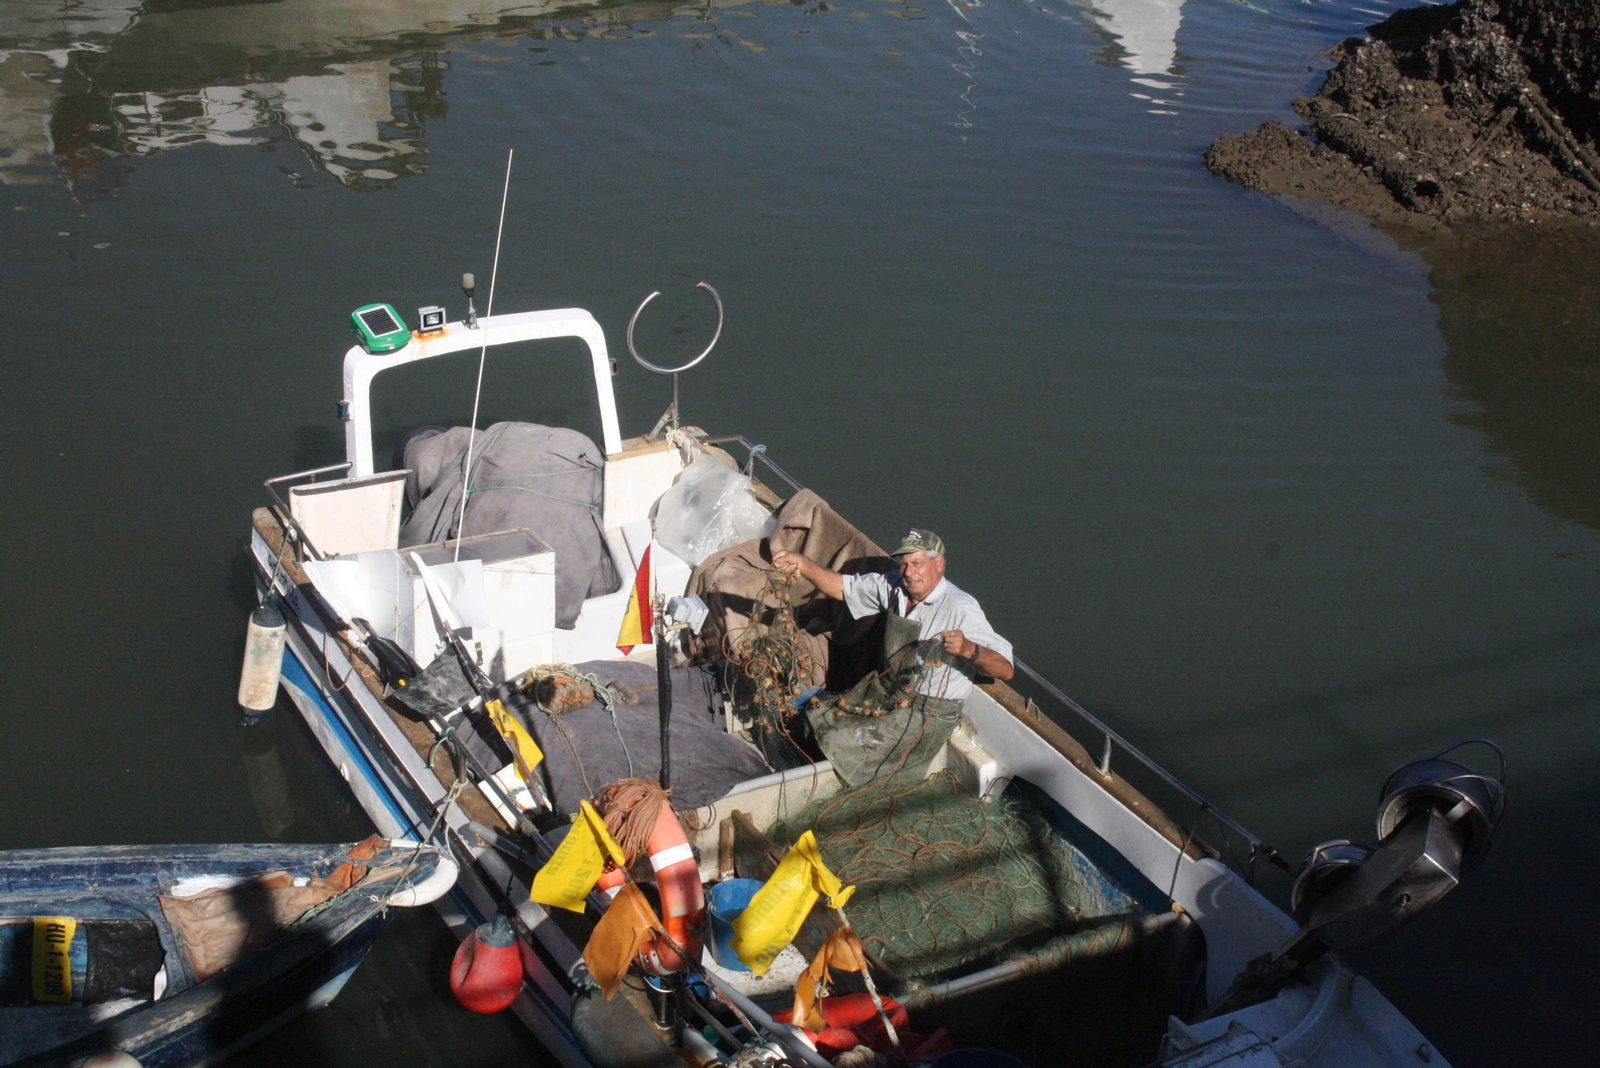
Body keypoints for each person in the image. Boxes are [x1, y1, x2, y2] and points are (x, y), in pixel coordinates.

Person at [771, 527, 1013, 704]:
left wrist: (969, 648)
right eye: (903, 564)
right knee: (805, 705)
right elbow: (841, 588)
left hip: (928, 709)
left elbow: (1006, 670)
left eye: (917, 563)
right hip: (891, 692)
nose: (908, 572)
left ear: (939, 564)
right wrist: (803, 565)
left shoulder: (961, 608)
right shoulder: (895, 585)